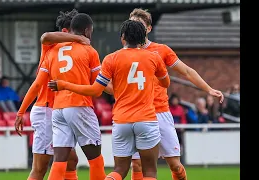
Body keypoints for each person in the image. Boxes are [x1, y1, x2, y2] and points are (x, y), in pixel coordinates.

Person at [48, 19, 170, 180]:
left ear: (123, 38)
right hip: (146, 119)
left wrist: (65, 85)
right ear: (142, 38)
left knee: (119, 170)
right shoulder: (153, 58)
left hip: (121, 121)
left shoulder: (111, 59)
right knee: (150, 172)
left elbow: (95, 90)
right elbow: (165, 83)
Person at [128, 8, 224, 180]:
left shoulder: (162, 50)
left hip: (160, 112)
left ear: (148, 29)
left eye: (140, 25)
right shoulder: (124, 53)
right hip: (137, 113)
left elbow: (186, 71)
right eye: (133, 24)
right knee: (137, 164)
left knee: (176, 165)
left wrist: (208, 89)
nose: (136, 28)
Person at [14, 9, 90, 180]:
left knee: (71, 160)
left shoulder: (74, 52)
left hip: (60, 112)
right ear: (65, 32)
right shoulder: (52, 48)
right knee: (40, 168)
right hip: (46, 110)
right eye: (74, 31)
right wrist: (21, 111)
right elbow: (46, 37)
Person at [38, 13, 107, 180]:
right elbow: (97, 86)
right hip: (79, 105)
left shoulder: (53, 50)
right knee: (95, 159)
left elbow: (45, 37)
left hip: (59, 108)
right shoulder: (89, 50)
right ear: (87, 30)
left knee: (59, 160)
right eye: (91, 31)